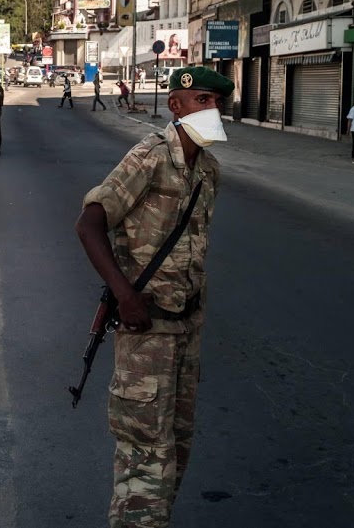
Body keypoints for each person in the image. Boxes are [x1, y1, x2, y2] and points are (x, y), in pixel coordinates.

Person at [75, 66, 233, 528]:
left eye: (218, 102)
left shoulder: (208, 169)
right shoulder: (149, 156)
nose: (214, 110)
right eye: (203, 101)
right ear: (177, 106)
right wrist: (125, 297)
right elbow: (89, 224)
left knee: (176, 448)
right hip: (146, 332)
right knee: (146, 452)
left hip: (185, 330)